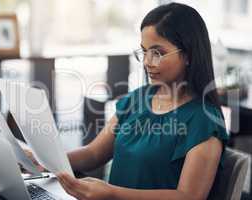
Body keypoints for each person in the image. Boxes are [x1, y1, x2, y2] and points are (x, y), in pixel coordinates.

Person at [29, 3, 229, 200]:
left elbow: (188, 196)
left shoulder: (204, 119)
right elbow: (94, 154)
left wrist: (111, 193)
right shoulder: (138, 99)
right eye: (144, 51)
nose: (147, 62)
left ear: (188, 54)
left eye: (157, 52)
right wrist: (45, 161)